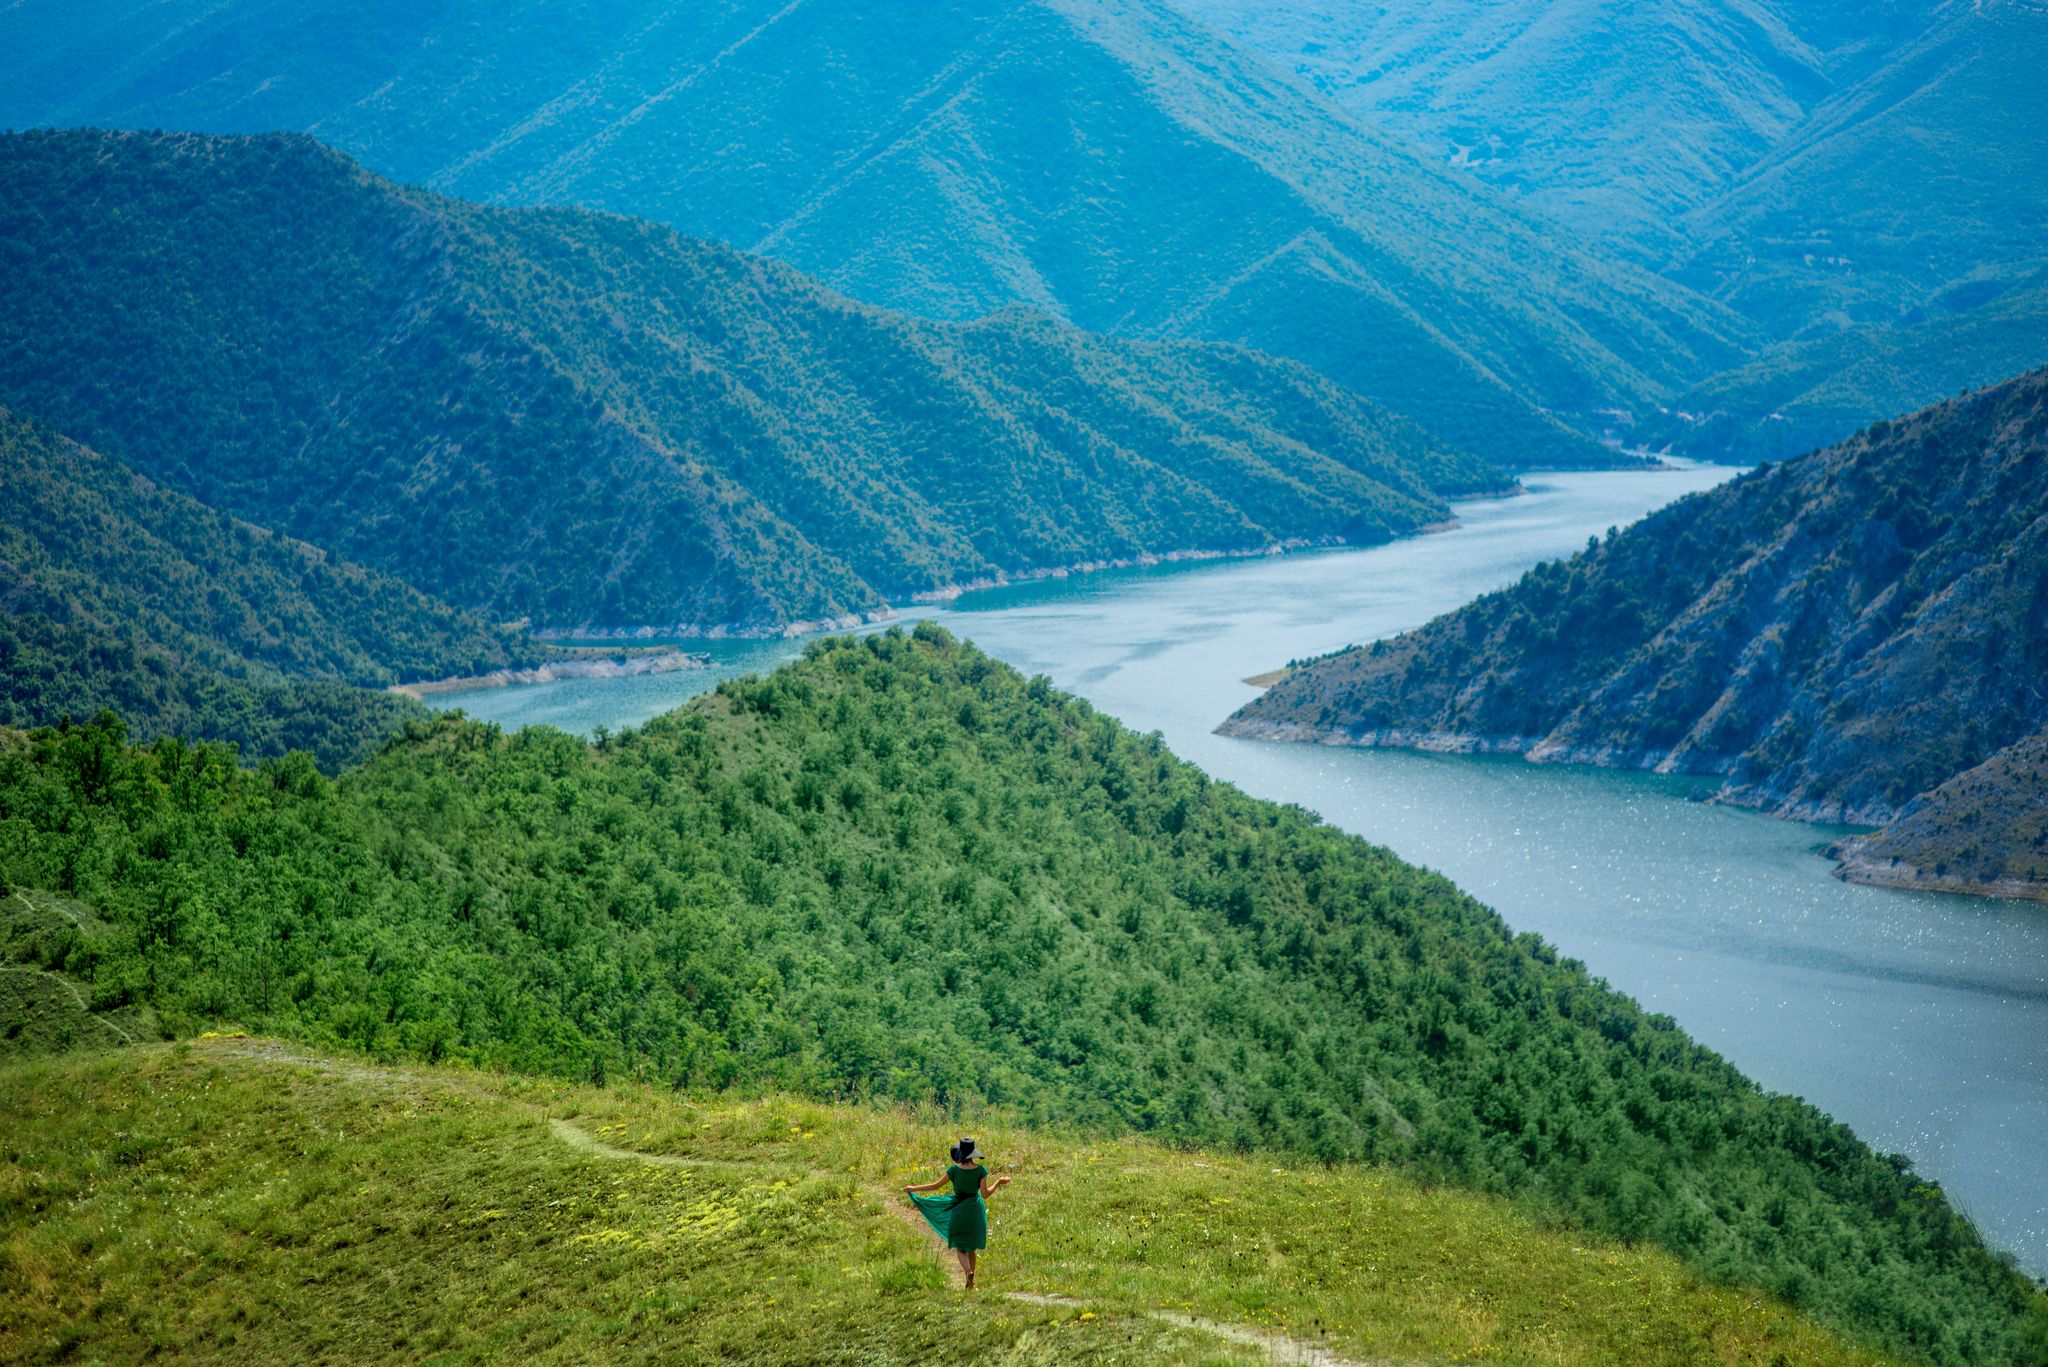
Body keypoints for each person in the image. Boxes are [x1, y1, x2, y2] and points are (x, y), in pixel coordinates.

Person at [904, 1136, 1011, 1288]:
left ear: (960, 1154)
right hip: (975, 1210)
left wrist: (913, 1188)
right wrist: (998, 1182)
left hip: (959, 1210)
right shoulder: (981, 1170)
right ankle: (971, 1281)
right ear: (973, 1153)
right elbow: (985, 1194)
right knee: (971, 1248)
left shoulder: (954, 1170)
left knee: (960, 1248)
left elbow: (935, 1186)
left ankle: (967, 1272)